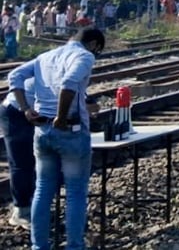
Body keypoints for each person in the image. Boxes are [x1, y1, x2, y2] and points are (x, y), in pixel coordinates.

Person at [9, 27, 105, 250]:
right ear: (93, 44)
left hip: (42, 131)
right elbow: (70, 83)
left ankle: (39, 246)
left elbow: (15, 76)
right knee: (75, 192)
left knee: (42, 189)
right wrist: (61, 117)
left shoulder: (46, 57)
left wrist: (25, 109)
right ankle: (74, 246)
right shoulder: (84, 55)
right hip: (70, 131)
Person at [0, 76, 35, 229]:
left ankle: (34, 203)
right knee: (21, 163)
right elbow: (14, 76)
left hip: (34, 112)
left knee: (36, 160)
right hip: (15, 112)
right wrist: (25, 108)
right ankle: (21, 211)